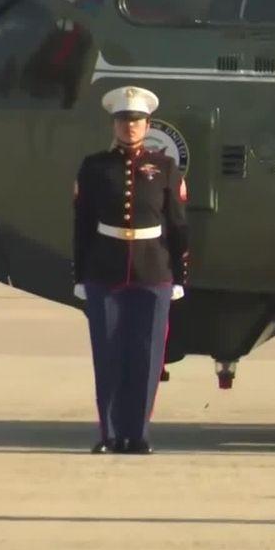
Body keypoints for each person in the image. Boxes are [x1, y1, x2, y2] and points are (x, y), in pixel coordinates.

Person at [73, 86, 189, 455]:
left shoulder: (165, 168)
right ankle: (109, 434)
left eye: (136, 120)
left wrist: (179, 276)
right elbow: (82, 224)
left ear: (148, 125)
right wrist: (80, 276)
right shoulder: (94, 167)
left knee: (147, 355)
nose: (130, 126)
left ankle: (137, 434)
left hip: (152, 271)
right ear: (114, 124)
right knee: (108, 354)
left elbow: (178, 225)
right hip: (104, 270)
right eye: (123, 120)